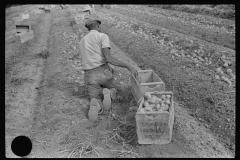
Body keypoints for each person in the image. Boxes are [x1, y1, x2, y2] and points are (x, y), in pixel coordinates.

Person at [79, 19, 138, 122]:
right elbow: (109, 59)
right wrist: (128, 66)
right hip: (103, 72)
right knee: (114, 88)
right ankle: (110, 93)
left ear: (88, 28)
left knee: (95, 97)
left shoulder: (82, 40)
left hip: (89, 74)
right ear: (97, 25)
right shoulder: (102, 36)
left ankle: (96, 104)